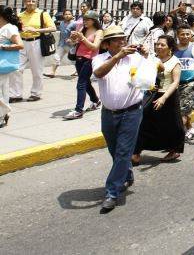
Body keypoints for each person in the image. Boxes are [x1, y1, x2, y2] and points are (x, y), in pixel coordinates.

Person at [91, 25, 146, 214]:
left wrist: (148, 55)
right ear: (107, 44)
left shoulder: (136, 58)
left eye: (123, 38)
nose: (122, 42)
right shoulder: (99, 59)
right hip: (108, 113)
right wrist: (117, 57)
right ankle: (127, 171)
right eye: (116, 40)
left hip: (131, 112)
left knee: (123, 152)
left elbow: (159, 68)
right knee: (114, 150)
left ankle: (112, 192)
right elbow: (98, 73)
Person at [132, 35, 183, 164]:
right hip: (152, 94)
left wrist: (164, 98)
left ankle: (173, 150)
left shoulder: (175, 61)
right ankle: (136, 152)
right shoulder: (152, 59)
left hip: (168, 96)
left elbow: (175, 82)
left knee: (172, 126)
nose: (159, 47)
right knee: (143, 122)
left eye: (162, 45)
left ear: (170, 48)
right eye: (157, 44)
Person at [10, 0, 56, 102]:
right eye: (28, 1)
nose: (30, 3)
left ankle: (36, 93)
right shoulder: (20, 15)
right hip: (22, 42)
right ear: (24, 2)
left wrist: (36, 30)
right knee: (16, 69)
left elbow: (53, 28)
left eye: (33, 1)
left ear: (36, 3)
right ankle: (16, 94)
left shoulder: (42, 14)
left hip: (36, 42)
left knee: (37, 70)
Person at [63, 11, 104, 120]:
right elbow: (74, 42)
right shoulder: (83, 29)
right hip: (79, 58)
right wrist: (72, 38)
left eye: (87, 20)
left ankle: (78, 110)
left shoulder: (99, 31)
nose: (84, 22)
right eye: (84, 19)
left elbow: (95, 47)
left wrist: (82, 38)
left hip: (89, 60)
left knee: (81, 83)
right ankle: (96, 100)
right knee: (86, 83)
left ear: (94, 20)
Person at [0, 6, 24, 128]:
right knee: (3, 91)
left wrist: (3, 47)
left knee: (2, 90)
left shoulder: (9, 28)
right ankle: (4, 113)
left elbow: (20, 45)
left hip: (3, 63)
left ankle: (4, 112)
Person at [46, 10, 77, 78]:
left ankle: (78, 71)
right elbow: (61, 33)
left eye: (69, 14)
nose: (67, 15)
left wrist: (72, 40)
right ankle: (52, 72)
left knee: (73, 60)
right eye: (65, 14)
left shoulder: (75, 23)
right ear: (63, 15)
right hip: (62, 44)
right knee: (56, 57)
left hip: (71, 45)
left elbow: (78, 33)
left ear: (72, 15)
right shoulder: (61, 23)